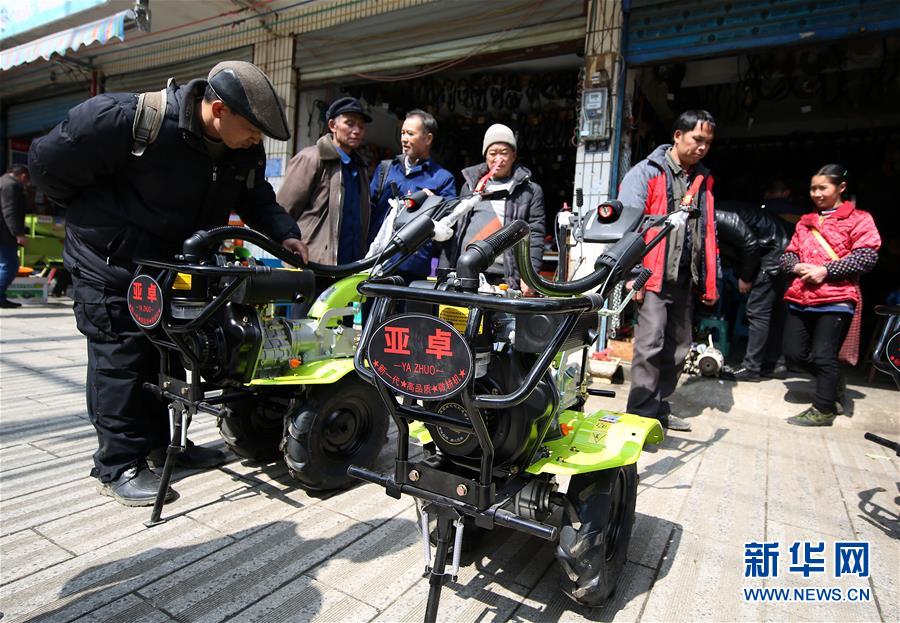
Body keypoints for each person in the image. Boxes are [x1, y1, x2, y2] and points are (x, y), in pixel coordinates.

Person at [28, 61, 308, 507]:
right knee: (121, 358)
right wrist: (103, 222)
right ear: (219, 109)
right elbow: (47, 166)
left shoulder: (240, 151)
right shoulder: (127, 119)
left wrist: (285, 233)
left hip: (175, 270)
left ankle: (163, 446)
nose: (258, 141)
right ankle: (118, 464)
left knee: (170, 352)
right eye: (254, 130)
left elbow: (256, 199)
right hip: (111, 265)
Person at [621, 110, 719, 432]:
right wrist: (633, 274)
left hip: (684, 277)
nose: (702, 147)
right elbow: (628, 227)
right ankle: (639, 417)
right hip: (652, 275)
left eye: (708, 142)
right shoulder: (646, 172)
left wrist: (709, 278)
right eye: (697, 139)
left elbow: (708, 230)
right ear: (678, 136)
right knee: (649, 345)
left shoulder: (702, 180)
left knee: (678, 349)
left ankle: (659, 407)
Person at [781, 165, 881, 426]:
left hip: (836, 298)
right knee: (793, 353)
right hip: (800, 297)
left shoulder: (860, 219)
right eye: (813, 188)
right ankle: (832, 379)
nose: (816, 193)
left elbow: (866, 257)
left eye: (822, 188)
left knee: (824, 355)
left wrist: (826, 270)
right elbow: (788, 255)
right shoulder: (805, 222)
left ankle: (823, 409)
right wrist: (796, 266)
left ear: (841, 188)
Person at [441, 123, 544, 294]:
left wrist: (530, 276)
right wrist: (445, 270)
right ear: (485, 156)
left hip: (504, 277)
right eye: (493, 153)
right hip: (467, 272)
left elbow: (536, 234)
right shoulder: (471, 186)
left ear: (514, 155)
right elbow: (454, 231)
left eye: (504, 152)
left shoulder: (530, 191)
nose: (498, 159)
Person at [278, 97, 372, 265]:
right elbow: (284, 212)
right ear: (332, 126)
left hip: (350, 266)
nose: (357, 130)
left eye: (361, 126)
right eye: (350, 124)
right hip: (312, 263)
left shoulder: (360, 167)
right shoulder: (311, 158)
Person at [369, 109, 456, 282]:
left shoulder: (443, 179)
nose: (403, 139)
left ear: (428, 139)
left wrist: (432, 203)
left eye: (410, 134)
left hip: (413, 267)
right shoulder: (385, 170)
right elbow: (368, 211)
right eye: (402, 133)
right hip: (376, 263)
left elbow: (448, 223)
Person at [717, 201, 791, 381]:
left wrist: (746, 277)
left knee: (757, 312)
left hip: (772, 256)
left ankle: (751, 367)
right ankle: (775, 363)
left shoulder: (718, 215)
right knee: (774, 313)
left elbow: (750, 245)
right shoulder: (721, 211)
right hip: (781, 252)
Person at [0, 165, 29, 309]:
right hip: (4, 234)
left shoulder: (2, 182)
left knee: (4, 265)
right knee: (9, 266)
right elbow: (10, 211)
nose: (27, 184)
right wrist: (18, 233)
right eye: (27, 180)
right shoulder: (10, 185)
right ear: (23, 176)